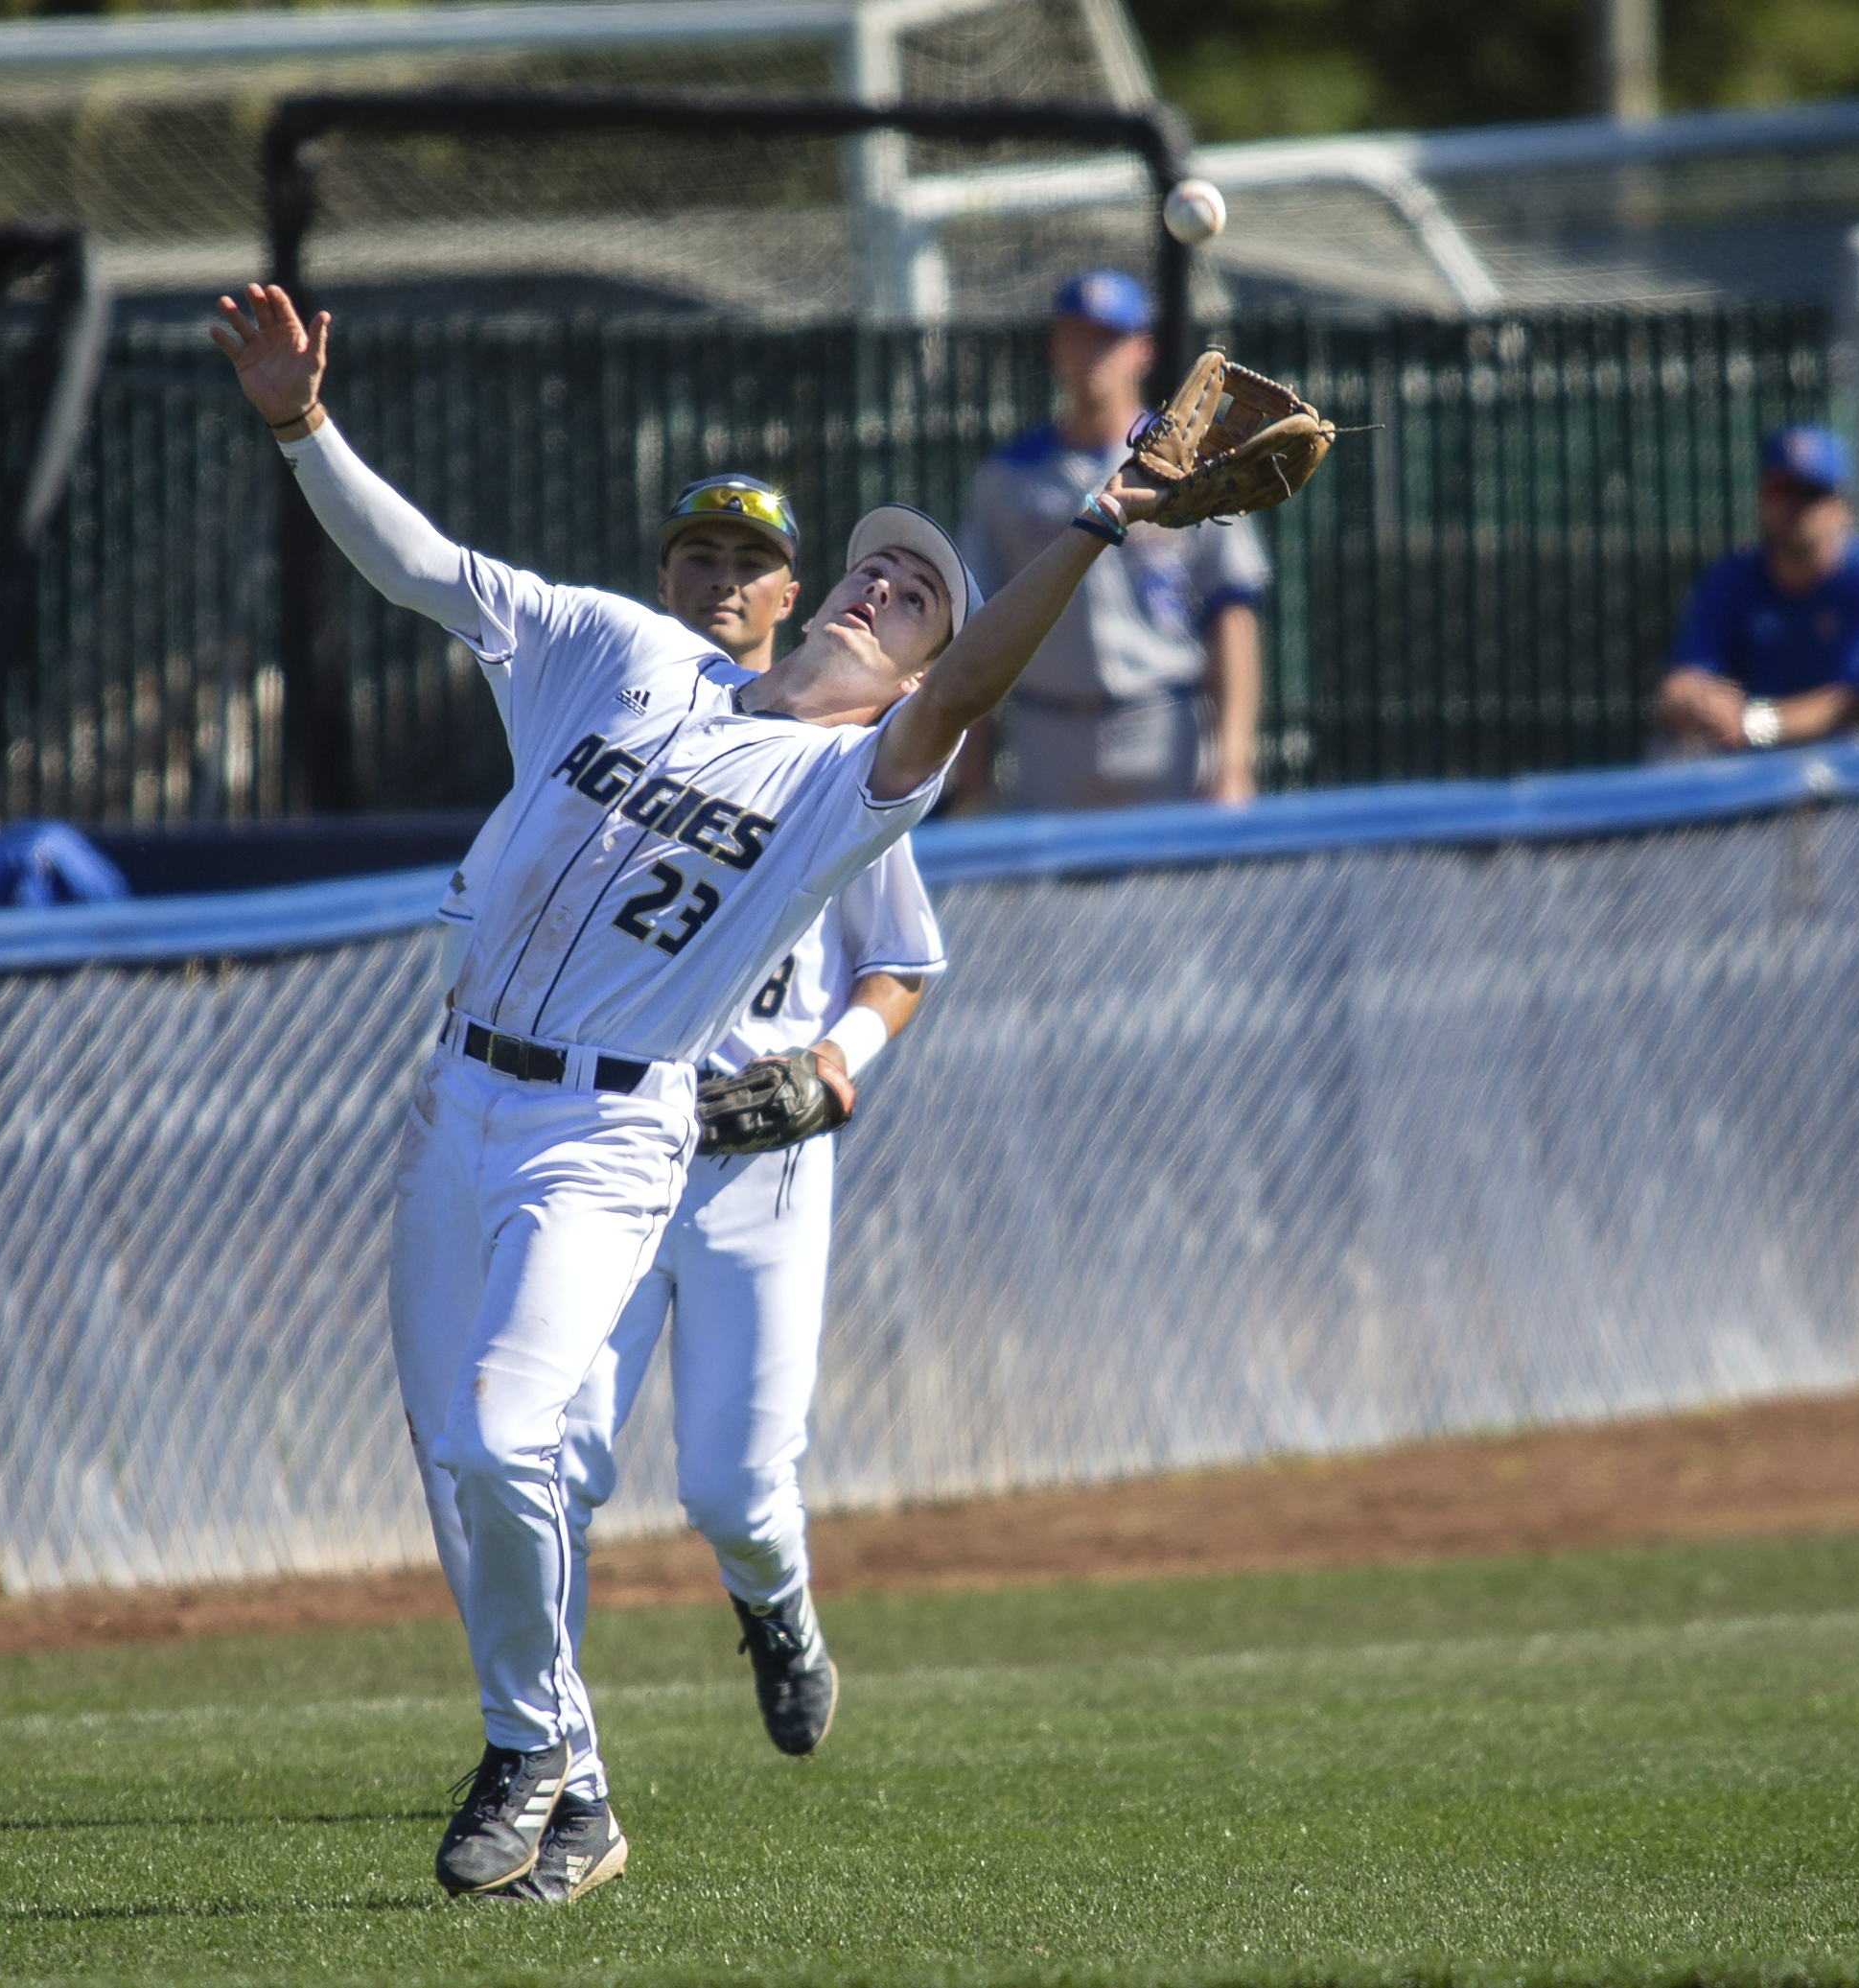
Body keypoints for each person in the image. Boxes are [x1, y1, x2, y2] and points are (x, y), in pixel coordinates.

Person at [212, 280, 1164, 1906]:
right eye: (873, 566)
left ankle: (539, 1745)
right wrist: (304, 425)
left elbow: (971, 699)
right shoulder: (627, 651)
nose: (885, 585)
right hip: (452, 1106)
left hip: (606, 1132)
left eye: (918, 595)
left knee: (529, 1435)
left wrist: (1087, 525)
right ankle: (568, 1786)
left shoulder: (842, 788)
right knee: (464, 1454)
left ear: (912, 667)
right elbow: (427, 569)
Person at [426, 475, 942, 1791]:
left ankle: (776, 1606)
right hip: (596, 1142)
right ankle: (553, 1757)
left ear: (791, 591)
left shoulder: (847, 751)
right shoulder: (628, 703)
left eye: (751, 558)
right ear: (663, 580)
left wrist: (836, 1058)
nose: (722, 576)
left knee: (731, 1489)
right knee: (560, 1459)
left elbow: (899, 965)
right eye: (698, 553)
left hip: (756, 1166)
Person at [957, 269, 1272, 810]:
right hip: (1047, 730)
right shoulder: (1008, 478)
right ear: (1056, 346)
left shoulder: (1192, 468)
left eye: (1109, 337)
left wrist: (1234, 762)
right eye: (1079, 335)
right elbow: (977, 630)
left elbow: (1232, 613)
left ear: (1142, 350)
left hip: (1162, 722)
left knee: (1177, 893)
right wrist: (973, 778)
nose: (1092, 354)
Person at [1651, 424, 1859, 756]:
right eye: (1783, 490)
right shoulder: (1729, 579)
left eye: (1810, 493)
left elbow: (1858, 704)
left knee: (1856, 742)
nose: (1796, 508)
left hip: (1849, 757)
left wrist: (1752, 723)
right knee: (1672, 751)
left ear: (1842, 508)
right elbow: (1681, 682)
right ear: (1761, 499)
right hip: (1749, 753)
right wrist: (1697, 703)